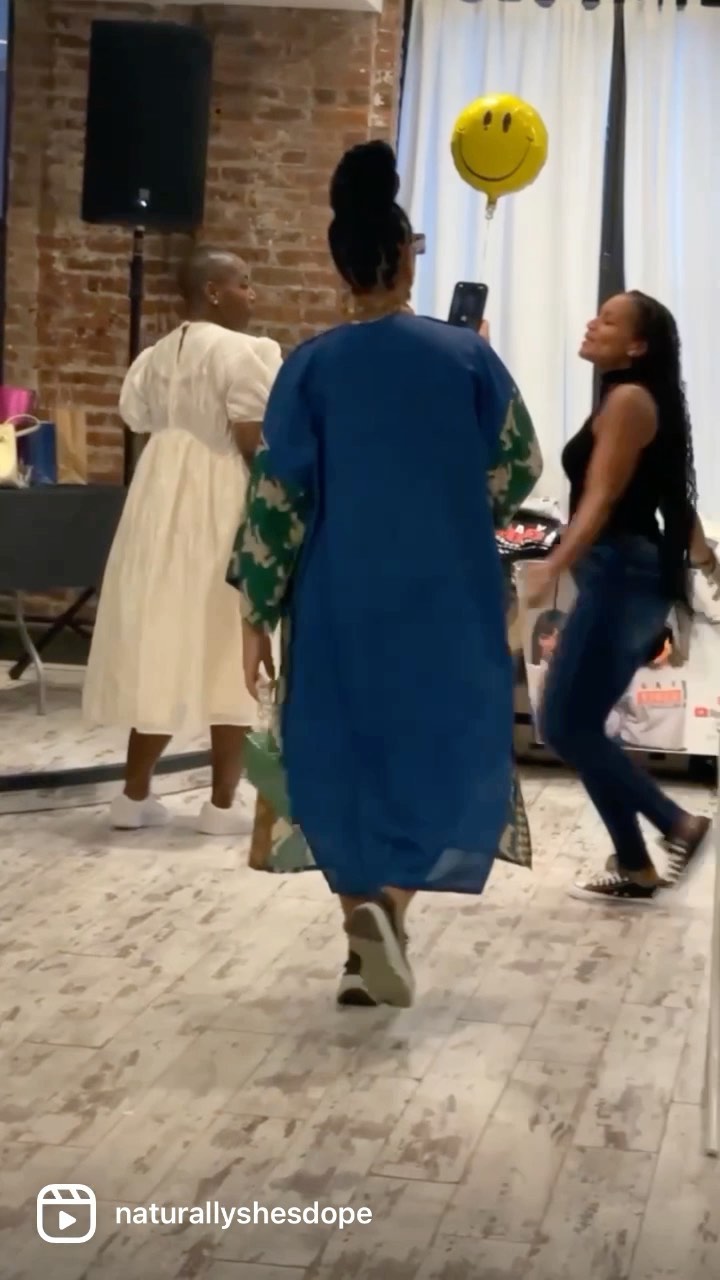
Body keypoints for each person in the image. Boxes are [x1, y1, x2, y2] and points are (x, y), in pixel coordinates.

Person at [228, 140, 542, 1008]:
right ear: (408, 258)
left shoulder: (311, 365)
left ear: (340, 267)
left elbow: (278, 500)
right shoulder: (466, 357)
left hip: (341, 592)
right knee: (437, 747)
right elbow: (517, 465)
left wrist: (255, 612)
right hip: (448, 592)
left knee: (340, 752)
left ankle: (364, 927)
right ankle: (389, 917)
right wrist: (453, 496)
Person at [83, 247, 282, 833]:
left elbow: (139, 419)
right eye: (244, 283)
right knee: (226, 638)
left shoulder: (152, 358)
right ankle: (220, 804)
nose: (253, 294)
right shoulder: (244, 353)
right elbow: (249, 442)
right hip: (217, 502)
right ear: (213, 291)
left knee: (161, 636)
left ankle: (133, 795)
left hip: (157, 506)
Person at [525, 291, 715, 903]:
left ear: (636, 345)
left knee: (563, 725)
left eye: (608, 320)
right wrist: (707, 559)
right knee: (578, 725)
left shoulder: (630, 400)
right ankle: (635, 866)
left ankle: (676, 823)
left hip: (620, 575)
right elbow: (670, 496)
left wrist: (555, 562)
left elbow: (602, 499)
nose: (592, 323)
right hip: (624, 575)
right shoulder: (631, 397)